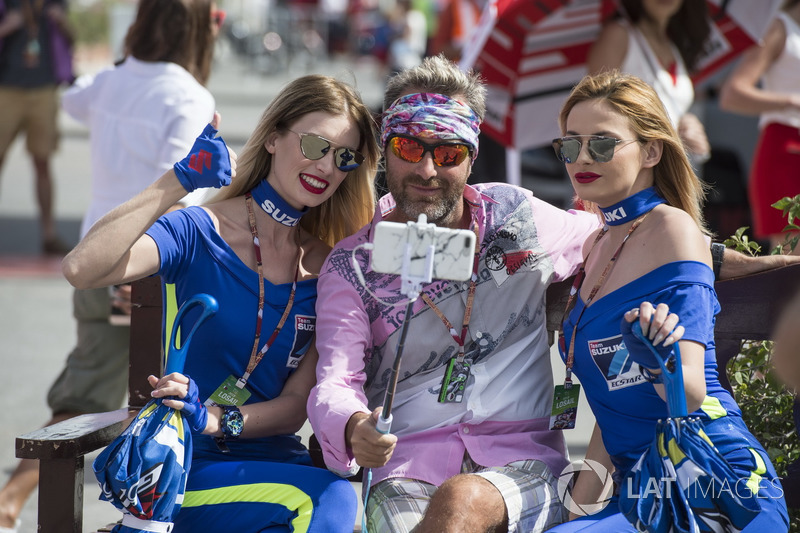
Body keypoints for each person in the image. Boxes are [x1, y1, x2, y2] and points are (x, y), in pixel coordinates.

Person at [60, 73, 380, 532]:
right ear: (273, 138)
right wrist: (179, 179)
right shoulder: (200, 231)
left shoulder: (330, 266)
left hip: (273, 470)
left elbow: (294, 406)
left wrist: (214, 418)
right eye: (315, 146)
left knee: (341, 507)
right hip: (184, 468)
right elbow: (82, 269)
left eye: (344, 157)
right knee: (328, 501)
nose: (328, 167)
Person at [308, 53, 602, 533]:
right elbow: (336, 380)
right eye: (408, 147)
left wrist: (728, 259)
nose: (426, 170)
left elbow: (613, 238)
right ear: (385, 150)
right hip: (406, 468)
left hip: (521, 467)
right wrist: (353, 427)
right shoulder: (353, 264)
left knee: (463, 500)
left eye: (447, 154)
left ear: (471, 156)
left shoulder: (516, 216)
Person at [0, 1, 222, 529]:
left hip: (94, 256)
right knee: (131, 401)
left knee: (99, 394)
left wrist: (121, 65)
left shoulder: (111, 82)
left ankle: (25, 500)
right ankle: (11, 499)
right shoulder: (189, 95)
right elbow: (185, 193)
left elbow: (74, 97)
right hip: (148, 268)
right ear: (199, 29)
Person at [545, 70, 788, 532]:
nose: (581, 157)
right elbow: (613, 409)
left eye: (601, 143)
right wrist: (573, 511)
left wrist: (659, 358)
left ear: (652, 150)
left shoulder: (671, 229)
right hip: (646, 496)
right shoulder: (597, 245)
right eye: (569, 144)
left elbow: (691, 391)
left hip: (718, 487)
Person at [587, 0, 711, 167]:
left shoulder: (674, 44)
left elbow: (670, 109)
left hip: (666, 171)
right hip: (628, 171)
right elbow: (594, 109)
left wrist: (687, 124)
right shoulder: (618, 34)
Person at [719, 0, 800, 254]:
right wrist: (791, 101)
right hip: (786, 147)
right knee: (792, 258)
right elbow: (733, 93)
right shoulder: (779, 27)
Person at [0, 0, 73, 254]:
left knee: (43, 162)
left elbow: (71, 39)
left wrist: (62, 21)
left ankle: (48, 235)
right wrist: (7, 27)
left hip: (43, 88)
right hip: (6, 88)